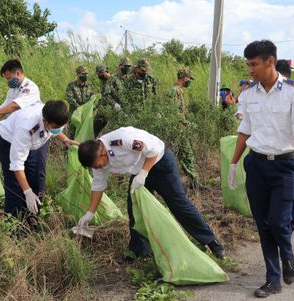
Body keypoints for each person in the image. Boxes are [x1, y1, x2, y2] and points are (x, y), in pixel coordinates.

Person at [228, 40, 294, 298]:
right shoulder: (248, 95)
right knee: (263, 224)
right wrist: (234, 162)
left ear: (269, 61)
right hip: (256, 164)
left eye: (254, 64)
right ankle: (272, 279)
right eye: (248, 65)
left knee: (279, 222)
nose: (250, 69)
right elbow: (244, 131)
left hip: (284, 165)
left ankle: (287, 254)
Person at [76, 127, 226, 259]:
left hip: (159, 163)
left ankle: (212, 242)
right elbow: (98, 185)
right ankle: (140, 252)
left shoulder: (123, 139)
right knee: (135, 209)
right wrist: (90, 213)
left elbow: (153, 150)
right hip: (139, 171)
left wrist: (143, 174)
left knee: (178, 204)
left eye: (99, 165)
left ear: (102, 152)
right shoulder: (97, 162)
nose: (99, 168)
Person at [0, 100, 76, 231]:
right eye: (54, 127)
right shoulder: (26, 127)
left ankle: (32, 218)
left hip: (38, 142)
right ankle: (15, 226)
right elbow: (17, 165)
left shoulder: (55, 115)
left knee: (38, 178)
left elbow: (55, 130)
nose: (57, 130)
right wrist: (27, 192)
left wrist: (65, 139)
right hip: (11, 141)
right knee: (15, 186)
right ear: (44, 121)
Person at [0, 59, 41, 128]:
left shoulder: (30, 88)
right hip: (18, 125)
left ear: (18, 73)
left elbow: (14, 106)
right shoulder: (13, 89)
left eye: (9, 78)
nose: (8, 81)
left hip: (32, 126)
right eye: (7, 79)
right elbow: (5, 108)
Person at [171, 67, 202, 189]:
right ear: (184, 78)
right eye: (189, 79)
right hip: (177, 129)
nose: (190, 81)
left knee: (180, 156)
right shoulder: (175, 91)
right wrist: (186, 123)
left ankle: (193, 183)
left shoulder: (178, 90)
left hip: (179, 128)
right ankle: (193, 183)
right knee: (186, 155)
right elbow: (174, 112)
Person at [94, 64, 122, 137]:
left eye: (100, 73)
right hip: (104, 109)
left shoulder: (115, 81)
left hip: (114, 109)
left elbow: (119, 95)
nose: (99, 75)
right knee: (96, 126)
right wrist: (96, 106)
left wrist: (115, 104)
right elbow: (104, 97)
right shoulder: (103, 81)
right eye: (98, 74)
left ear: (105, 71)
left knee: (112, 131)